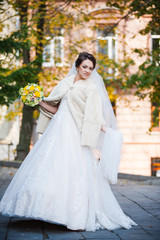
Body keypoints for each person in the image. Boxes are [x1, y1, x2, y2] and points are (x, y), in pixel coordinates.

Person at [0, 52, 137, 232]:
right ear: (78, 66)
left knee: (73, 169)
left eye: (91, 68)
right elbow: (55, 109)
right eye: (85, 67)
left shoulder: (91, 88)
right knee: (47, 166)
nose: (87, 71)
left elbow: (94, 114)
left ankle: (73, 214)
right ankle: (41, 207)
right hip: (56, 130)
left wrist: (105, 130)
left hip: (74, 133)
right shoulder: (65, 82)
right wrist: (38, 100)